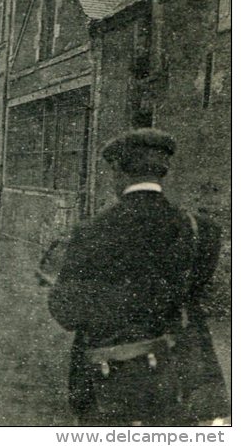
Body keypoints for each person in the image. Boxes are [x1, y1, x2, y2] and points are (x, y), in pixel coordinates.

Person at [48, 128, 227, 425]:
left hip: (106, 380)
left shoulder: (90, 231)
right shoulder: (202, 229)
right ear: (163, 171)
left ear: (118, 170)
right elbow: (196, 292)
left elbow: (66, 313)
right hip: (178, 379)